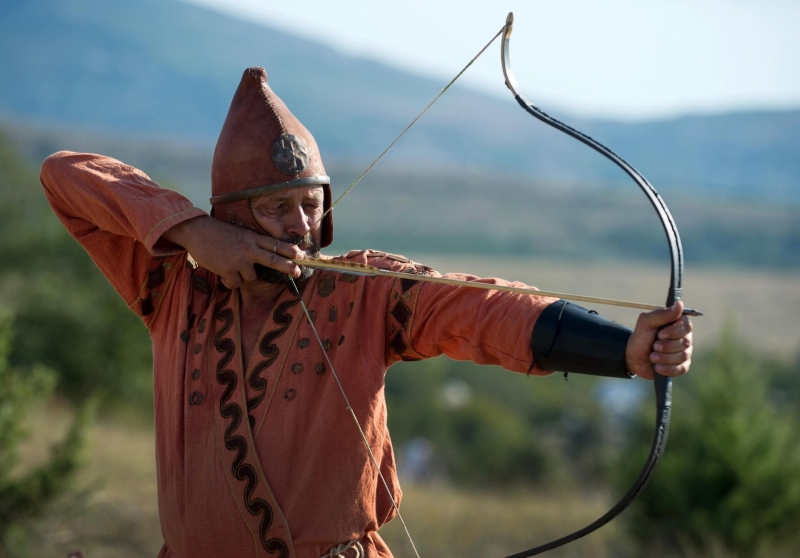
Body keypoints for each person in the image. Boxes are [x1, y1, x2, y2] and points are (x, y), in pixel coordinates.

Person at [40, 67, 693, 558]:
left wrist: (627, 352)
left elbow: (480, 307)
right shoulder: (170, 290)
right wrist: (186, 231)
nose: (300, 225)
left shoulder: (362, 291)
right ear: (230, 216)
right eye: (276, 208)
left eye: (310, 203)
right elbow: (65, 176)